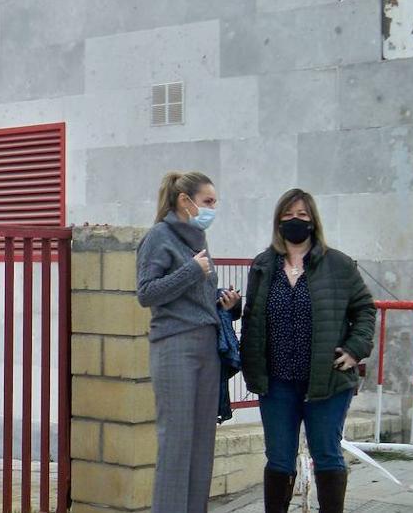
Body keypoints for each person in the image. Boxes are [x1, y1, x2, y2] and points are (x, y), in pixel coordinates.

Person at [240, 189, 375, 513]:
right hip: (277, 383)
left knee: (327, 454)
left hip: (326, 381)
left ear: (313, 221)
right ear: (278, 221)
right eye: (287, 215)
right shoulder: (262, 265)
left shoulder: (338, 264)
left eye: (301, 215)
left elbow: (365, 310)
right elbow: (253, 316)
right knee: (279, 459)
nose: (294, 221)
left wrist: (356, 350)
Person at [136, 171, 240, 513]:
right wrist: (192, 271)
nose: (212, 209)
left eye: (214, 202)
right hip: (174, 347)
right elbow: (146, 293)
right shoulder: (158, 237)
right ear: (185, 201)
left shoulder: (198, 238)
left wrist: (224, 302)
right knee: (176, 442)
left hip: (206, 346)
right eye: (208, 202)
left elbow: (194, 298)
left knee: (201, 442)